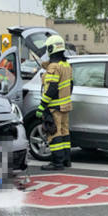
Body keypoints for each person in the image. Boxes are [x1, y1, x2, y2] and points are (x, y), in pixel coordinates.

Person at [36, 35, 73, 170]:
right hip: (65, 106)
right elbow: (71, 85)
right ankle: (66, 161)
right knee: (64, 132)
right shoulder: (66, 65)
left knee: (54, 133)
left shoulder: (54, 67)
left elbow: (51, 88)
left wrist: (42, 106)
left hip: (54, 107)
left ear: (51, 49)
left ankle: (57, 163)